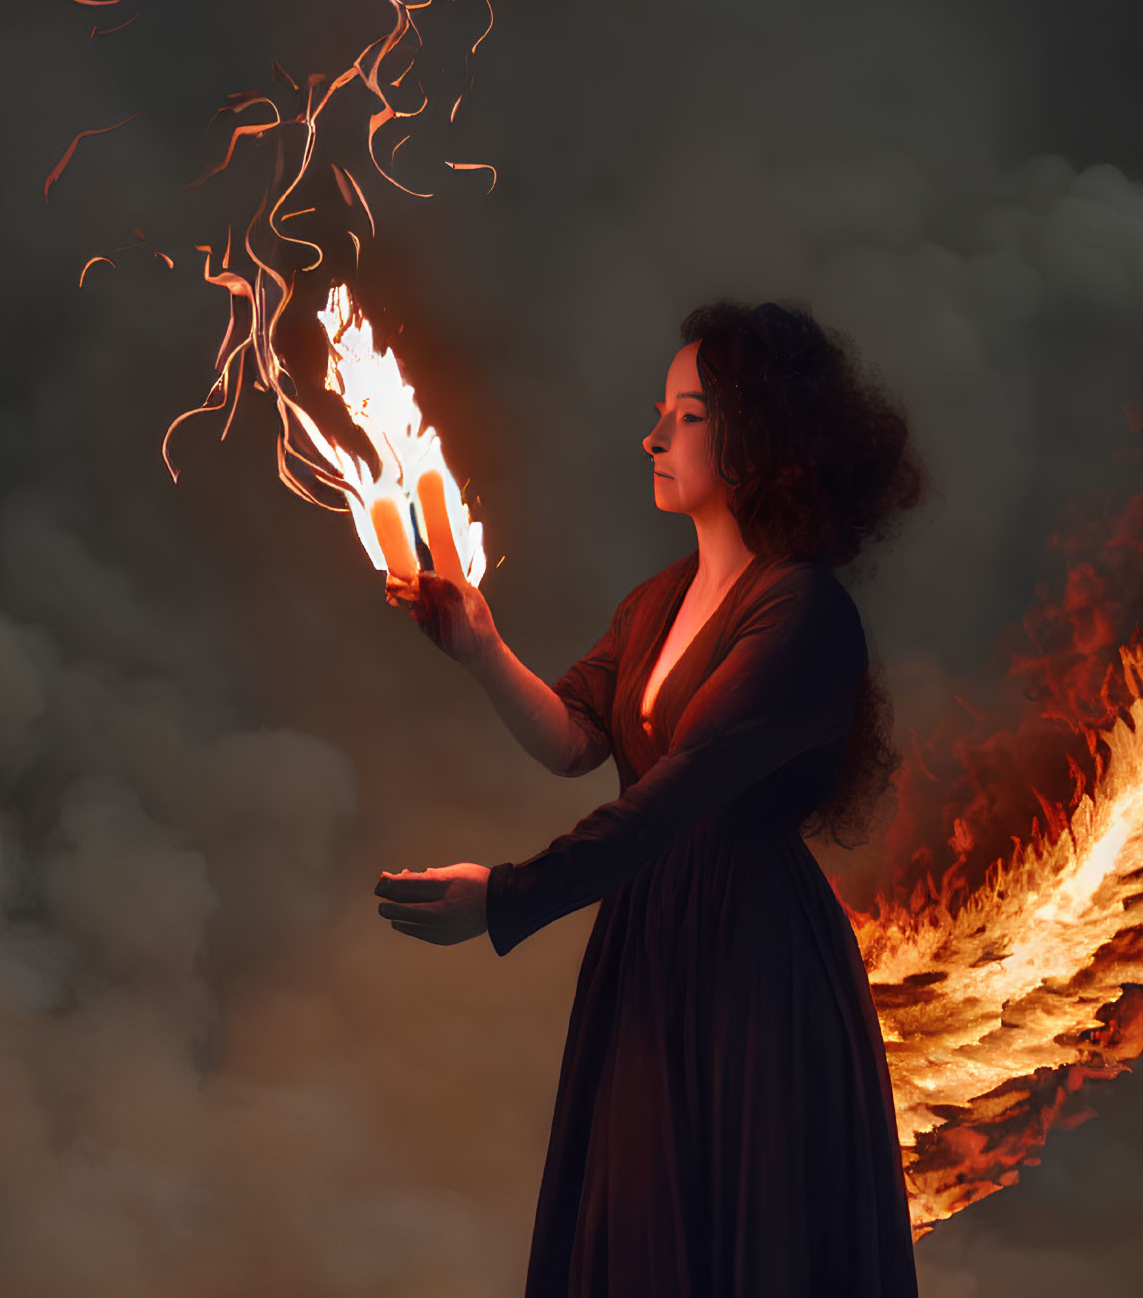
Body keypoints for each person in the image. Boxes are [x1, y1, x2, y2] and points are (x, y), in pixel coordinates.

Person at [374, 299, 927, 1297]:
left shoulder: (802, 614)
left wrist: (505, 900)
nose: (653, 435)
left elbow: (673, 799)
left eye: (688, 415)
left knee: (742, 1235)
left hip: (754, 966)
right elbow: (579, 741)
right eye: (661, 411)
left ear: (761, 438)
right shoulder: (658, 600)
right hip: (649, 945)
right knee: (637, 1233)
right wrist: (484, 650)